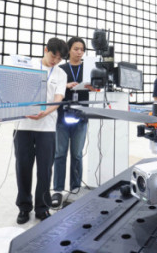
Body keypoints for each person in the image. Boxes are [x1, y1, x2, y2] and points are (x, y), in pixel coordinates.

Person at [14, 38, 68, 224]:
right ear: (45, 50)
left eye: (59, 59)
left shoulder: (60, 74)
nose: (55, 61)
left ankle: (42, 208)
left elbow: (58, 98)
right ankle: (24, 207)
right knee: (23, 168)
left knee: (45, 169)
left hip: (47, 127)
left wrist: (46, 112)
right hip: (23, 126)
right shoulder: (27, 66)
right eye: (53, 56)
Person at [51, 37, 93, 207]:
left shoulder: (88, 69)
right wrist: (65, 86)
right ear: (68, 50)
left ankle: (75, 188)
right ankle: (58, 190)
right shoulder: (61, 69)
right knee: (60, 154)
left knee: (77, 155)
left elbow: (96, 89)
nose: (79, 52)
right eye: (76, 49)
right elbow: (53, 90)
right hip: (62, 117)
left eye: (82, 49)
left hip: (81, 117)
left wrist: (94, 87)